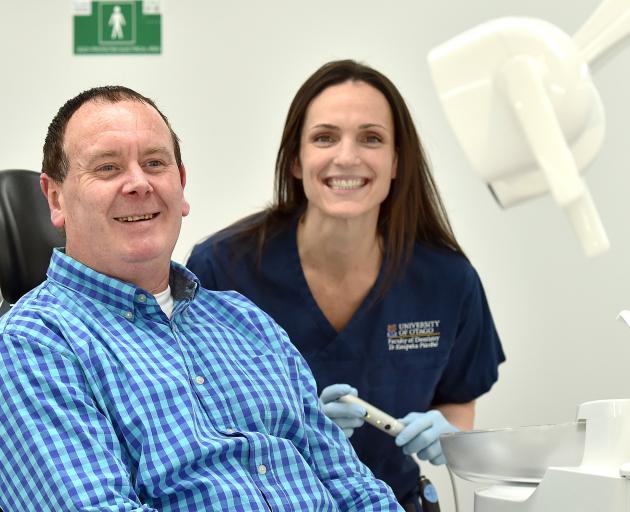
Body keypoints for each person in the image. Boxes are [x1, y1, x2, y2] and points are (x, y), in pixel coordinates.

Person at [0, 86, 402, 511]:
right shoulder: (31, 346)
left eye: (155, 163)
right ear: (55, 197)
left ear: (181, 184)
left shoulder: (246, 321)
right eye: (107, 167)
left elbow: (353, 487)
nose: (138, 183)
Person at [187, 59, 505, 511]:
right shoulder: (223, 267)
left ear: (397, 162)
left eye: (371, 138)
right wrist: (298, 427)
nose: (347, 157)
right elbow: (191, 416)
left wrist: (449, 433)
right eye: (325, 137)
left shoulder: (447, 280)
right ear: (296, 160)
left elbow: (457, 401)